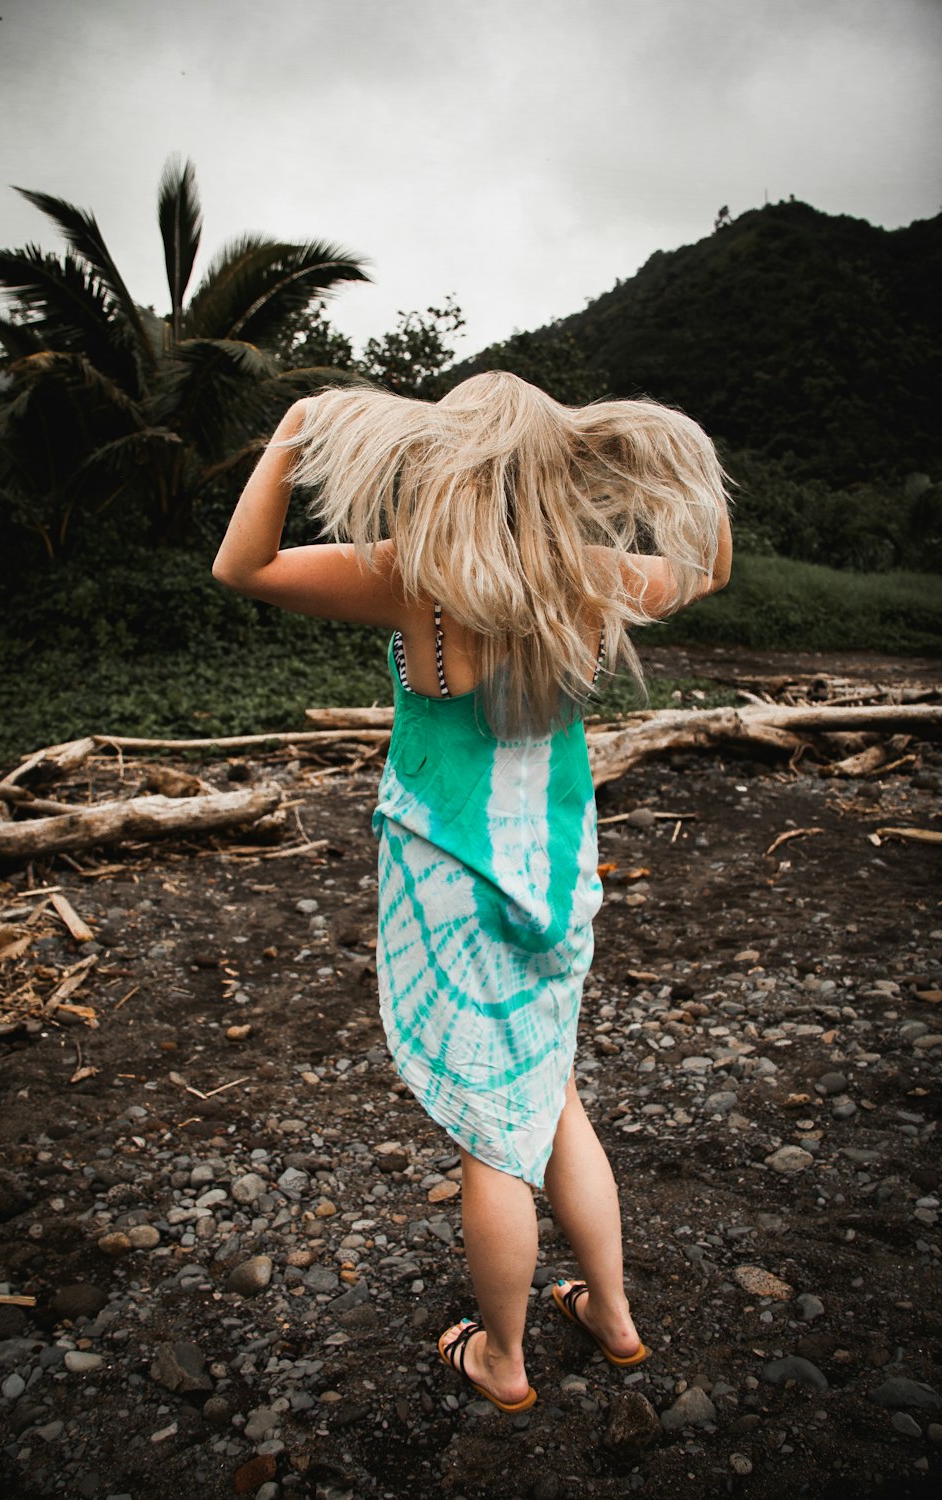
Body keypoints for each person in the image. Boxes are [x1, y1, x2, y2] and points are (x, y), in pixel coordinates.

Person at [213, 371, 732, 1413]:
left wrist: (291, 433)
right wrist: (669, 472)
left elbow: (243, 565)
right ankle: (615, 1319)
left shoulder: (415, 578)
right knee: (550, 1095)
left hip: (446, 886)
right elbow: (708, 568)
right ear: (553, 469)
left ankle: (503, 1358)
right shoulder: (595, 580)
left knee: (493, 1135)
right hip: (557, 880)